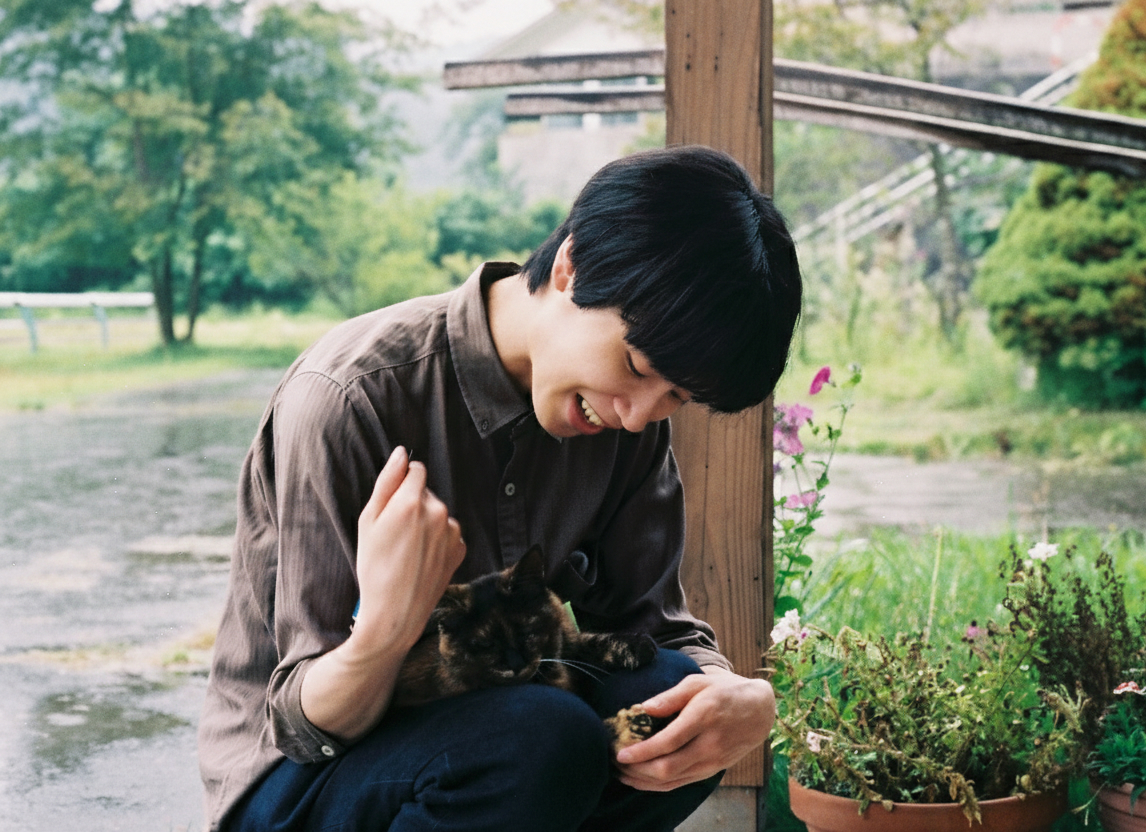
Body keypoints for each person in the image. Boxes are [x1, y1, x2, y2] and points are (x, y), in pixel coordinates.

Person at [197, 145, 803, 832]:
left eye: (676, 397)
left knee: (675, 706)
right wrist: (388, 630)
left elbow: (653, 628)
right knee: (540, 737)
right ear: (572, 267)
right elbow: (302, 725)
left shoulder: (625, 420)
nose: (637, 415)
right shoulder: (350, 398)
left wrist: (739, 698)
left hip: (492, 736)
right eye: (637, 366)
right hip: (304, 778)